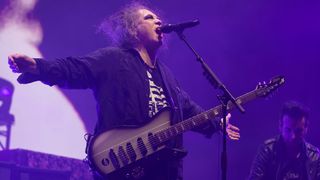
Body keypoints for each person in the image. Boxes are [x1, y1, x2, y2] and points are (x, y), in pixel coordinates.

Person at [8, 2, 240, 180]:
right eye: (149, 18)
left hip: (162, 170)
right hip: (125, 164)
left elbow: (188, 110)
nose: (158, 21)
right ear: (132, 29)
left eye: (159, 18)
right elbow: (75, 68)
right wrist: (38, 66)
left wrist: (215, 122)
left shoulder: (167, 76)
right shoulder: (114, 59)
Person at [248, 101, 320, 180]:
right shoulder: (267, 150)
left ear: (306, 128)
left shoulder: (315, 156)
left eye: (298, 131)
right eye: (288, 130)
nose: (293, 136)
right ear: (280, 126)